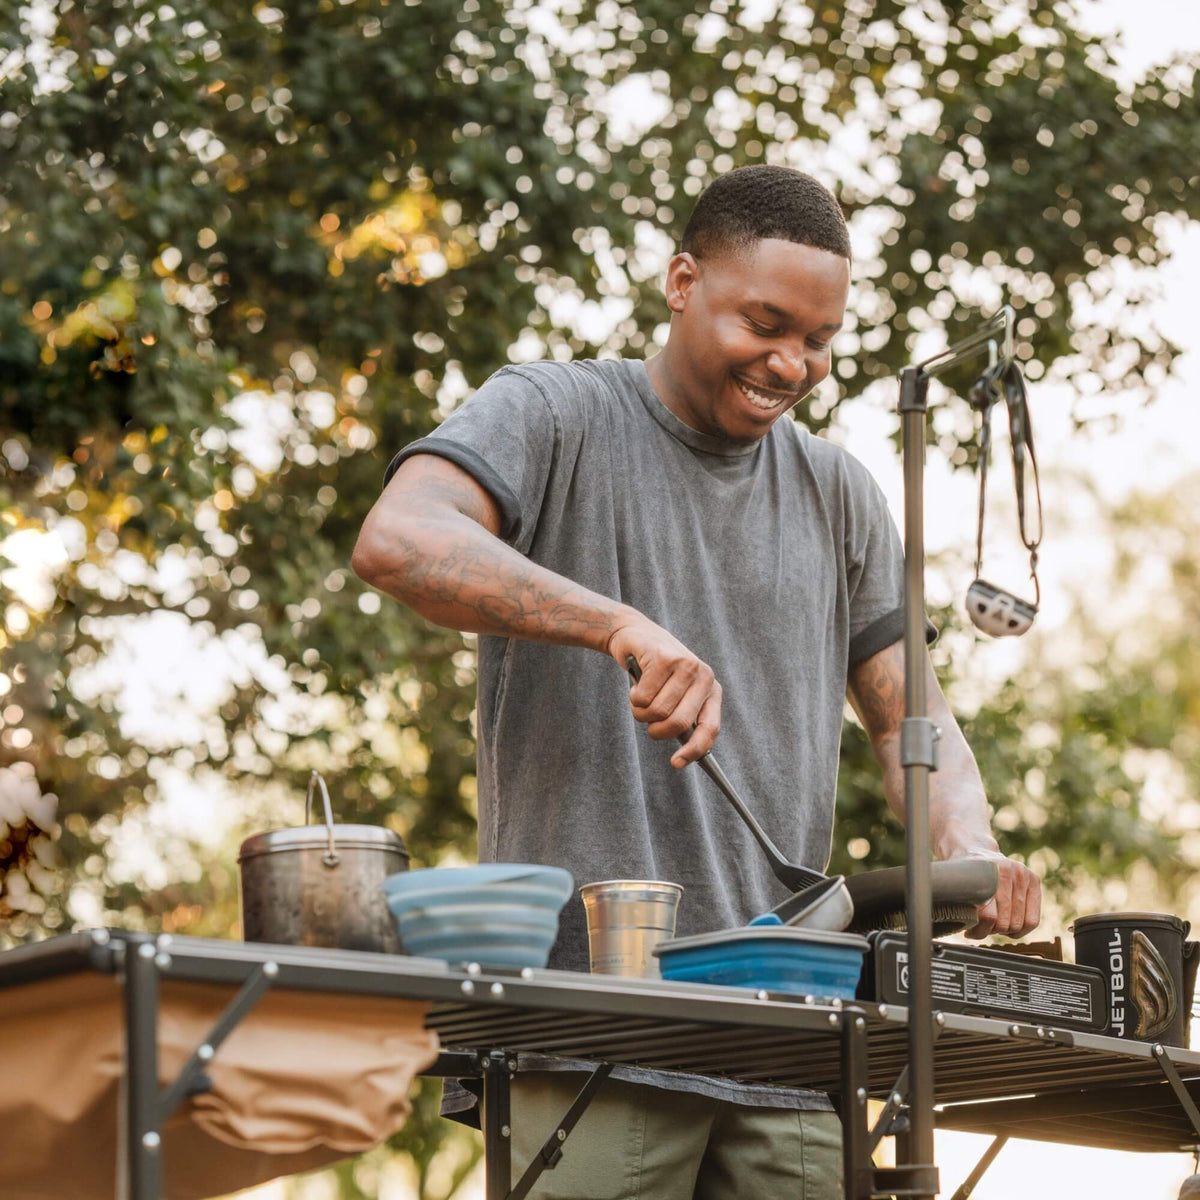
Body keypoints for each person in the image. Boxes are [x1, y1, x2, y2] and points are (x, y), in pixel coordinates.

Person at [352, 164, 1041, 1199]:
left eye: (817, 339)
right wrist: (615, 624)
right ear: (682, 282)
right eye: (765, 322)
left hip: (797, 1048)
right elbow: (398, 540)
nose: (792, 362)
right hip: (594, 1031)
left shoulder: (842, 493)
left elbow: (917, 719)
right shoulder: (551, 411)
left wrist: (969, 852)